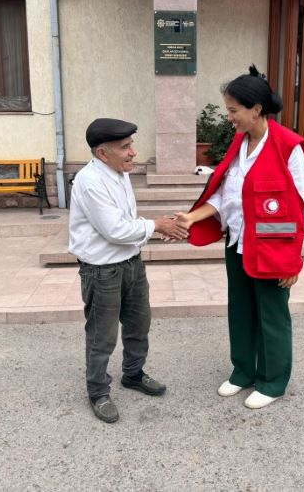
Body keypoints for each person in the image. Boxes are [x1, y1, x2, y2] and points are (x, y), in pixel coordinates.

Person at [175, 66, 304, 409]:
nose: (229, 117)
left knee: (271, 316)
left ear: (256, 109)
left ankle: (273, 381)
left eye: (233, 110)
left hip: (273, 250)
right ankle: (243, 372)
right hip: (237, 243)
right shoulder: (239, 144)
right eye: (228, 110)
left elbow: (302, 206)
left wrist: (293, 261)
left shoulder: (288, 147)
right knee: (240, 311)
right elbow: (226, 195)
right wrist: (192, 217)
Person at [69, 117, 188, 423]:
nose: (133, 152)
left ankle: (133, 374)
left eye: (131, 144)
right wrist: (155, 226)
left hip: (131, 263)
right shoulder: (90, 181)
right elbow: (114, 230)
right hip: (102, 271)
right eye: (125, 147)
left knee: (138, 324)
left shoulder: (119, 172)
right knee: (102, 335)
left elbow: (126, 222)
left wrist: (156, 228)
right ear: (102, 153)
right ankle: (98, 391)